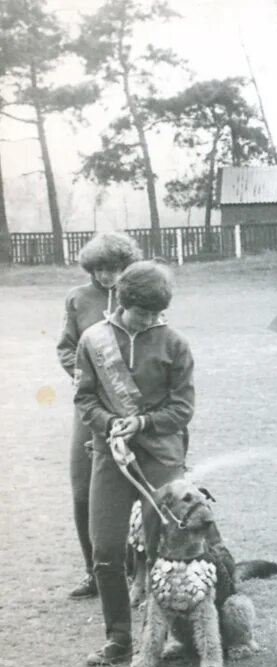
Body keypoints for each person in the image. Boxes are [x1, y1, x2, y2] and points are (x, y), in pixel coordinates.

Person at [74, 261, 194, 665]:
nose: (150, 320)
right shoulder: (93, 340)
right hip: (111, 455)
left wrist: (142, 421)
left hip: (161, 455)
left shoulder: (175, 343)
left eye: (157, 313)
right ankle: (119, 638)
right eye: (143, 312)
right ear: (123, 302)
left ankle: (163, 637)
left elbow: (183, 408)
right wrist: (111, 425)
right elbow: (84, 399)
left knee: (167, 550)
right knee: (105, 548)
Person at [56, 233, 142, 599]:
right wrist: (89, 381)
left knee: (137, 486)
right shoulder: (78, 298)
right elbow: (66, 349)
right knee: (83, 489)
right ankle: (96, 572)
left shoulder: (139, 294)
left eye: (115, 269)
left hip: (132, 410)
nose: (108, 277)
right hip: (90, 409)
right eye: (101, 270)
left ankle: (139, 573)